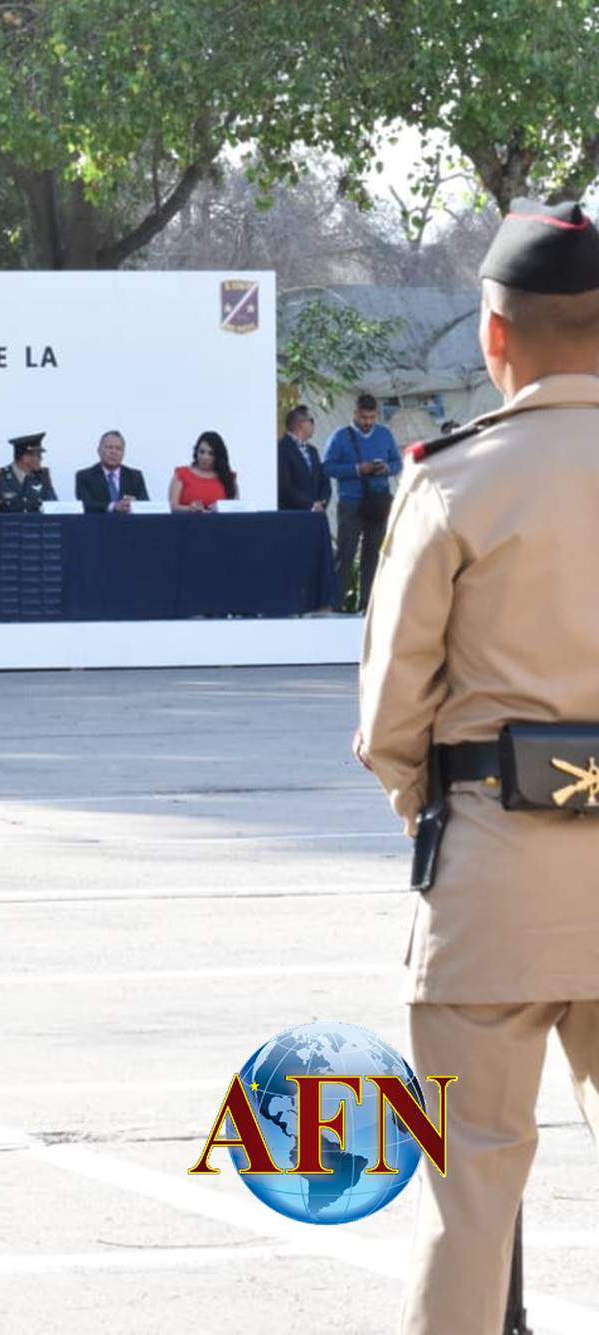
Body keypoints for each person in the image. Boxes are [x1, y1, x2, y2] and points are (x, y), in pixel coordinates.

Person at [354, 199, 599, 1335]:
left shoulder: (452, 479)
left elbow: (388, 720)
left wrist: (450, 806)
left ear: (492, 335)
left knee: (467, 1201)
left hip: (491, 888)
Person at [324, 392, 404, 610]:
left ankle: (368, 604)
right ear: (355, 413)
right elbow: (328, 467)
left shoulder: (384, 434)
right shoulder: (340, 436)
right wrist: (357, 469)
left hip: (378, 501)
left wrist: (385, 468)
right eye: (364, 418)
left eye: (372, 418)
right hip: (351, 502)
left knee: (373, 554)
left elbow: (398, 462)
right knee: (346, 553)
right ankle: (337, 603)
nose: (368, 422)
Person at [0, 433, 56, 513]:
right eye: (38, 455)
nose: (41, 458)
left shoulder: (42, 477)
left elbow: (55, 507)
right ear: (25, 458)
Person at [73, 430, 149, 513]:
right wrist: (113, 506)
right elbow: (86, 504)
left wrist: (135, 505)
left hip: (129, 524)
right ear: (99, 451)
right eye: (109, 447)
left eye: (118, 449)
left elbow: (145, 504)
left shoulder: (135, 476)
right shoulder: (84, 476)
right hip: (98, 524)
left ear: (123, 453)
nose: (113, 452)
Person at [275, 404, 330, 512]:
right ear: (300, 424)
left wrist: (323, 501)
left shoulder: (313, 451)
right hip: (292, 514)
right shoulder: (282, 449)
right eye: (311, 421)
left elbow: (324, 480)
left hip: (315, 515)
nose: (313, 426)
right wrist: (310, 505)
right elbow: (284, 486)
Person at [168, 431, 238, 511]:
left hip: (220, 523)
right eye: (202, 452)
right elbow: (171, 507)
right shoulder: (182, 474)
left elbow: (236, 508)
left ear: (218, 456)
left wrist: (220, 507)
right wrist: (189, 508)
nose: (205, 457)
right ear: (196, 452)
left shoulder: (228, 477)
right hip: (187, 522)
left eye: (211, 453)